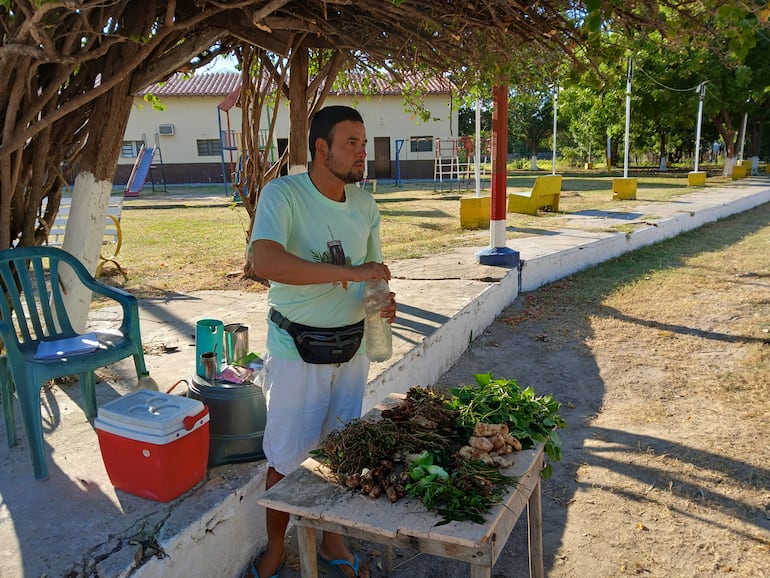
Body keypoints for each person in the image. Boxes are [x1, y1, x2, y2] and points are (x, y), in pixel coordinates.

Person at [249, 105, 395, 578]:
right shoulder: (284, 195)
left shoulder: (366, 205)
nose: (362, 153)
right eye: (351, 143)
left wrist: (382, 299)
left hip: (353, 349)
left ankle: (333, 539)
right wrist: (347, 273)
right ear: (320, 148)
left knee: (340, 452)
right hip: (297, 352)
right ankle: (276, 546)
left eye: (364, 143)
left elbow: (371, 276)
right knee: (286, 459)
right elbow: (265, 262)